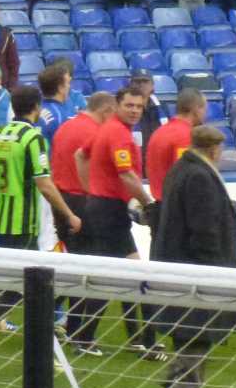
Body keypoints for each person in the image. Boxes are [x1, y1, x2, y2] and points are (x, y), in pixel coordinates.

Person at [0, 86, 82, 375]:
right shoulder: (33, 138)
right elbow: (44, 184)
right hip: (24, 226)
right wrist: (68, 213)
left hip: (2, 222)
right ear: (35, 108)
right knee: (32, 290)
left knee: (20, 290)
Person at [63, 86, 164, 361]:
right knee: (111, 276)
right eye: (129, 105)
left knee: (129, 272)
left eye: (139, 107)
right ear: (117, 106)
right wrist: (149, 203)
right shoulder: (117, 134)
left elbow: (80, 157)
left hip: (106, 208)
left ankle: (140, 339)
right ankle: (85, 337)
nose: (134, 110)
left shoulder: (107, 129)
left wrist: (91, 189)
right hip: (108, 212)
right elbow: (128, 176)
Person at [149, 125, 236, 388]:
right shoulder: (201, 176)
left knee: (188, 329)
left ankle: (177, 375)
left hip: (179, 261)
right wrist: (213, 264)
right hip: (197, 264)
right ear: (214, 149)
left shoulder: (181, 169)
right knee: (197, 329)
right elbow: (204, 227)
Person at [51, 92, 115, 265]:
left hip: (62, 203)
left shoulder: (64, 128)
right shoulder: (97, 133)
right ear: (106, 110)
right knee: (93, 263)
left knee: (73, 261)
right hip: (85, 203)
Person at [145, 87, 208, 230]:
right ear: (196, 109)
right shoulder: (185, 135)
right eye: (204, 108)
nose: (205, 114)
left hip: (160, 205)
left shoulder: (159, 132)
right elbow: (185, 175)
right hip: (176, 212)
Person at [36, 59, 86, 144]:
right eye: (67, 83)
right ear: (60, 88)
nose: (69, 87)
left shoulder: (36, 110)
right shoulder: (61, 117)